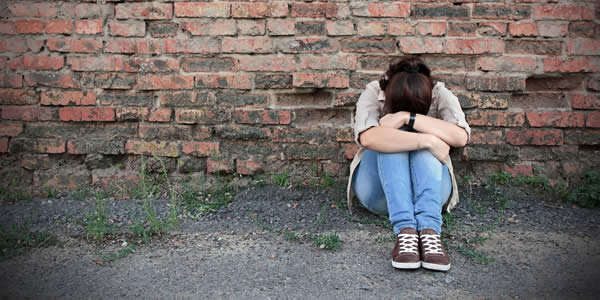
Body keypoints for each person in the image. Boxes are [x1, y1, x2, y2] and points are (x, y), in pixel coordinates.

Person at [347, 57, 471, 271]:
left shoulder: (439, 92)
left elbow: (461, 137)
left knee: (421, 147)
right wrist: (427, 140)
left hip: (431, 194)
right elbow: (367, 138)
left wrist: (408, 118)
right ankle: (406, 231)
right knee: (391, 142)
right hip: (378, 193)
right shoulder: (374, 91)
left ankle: (430, 233)